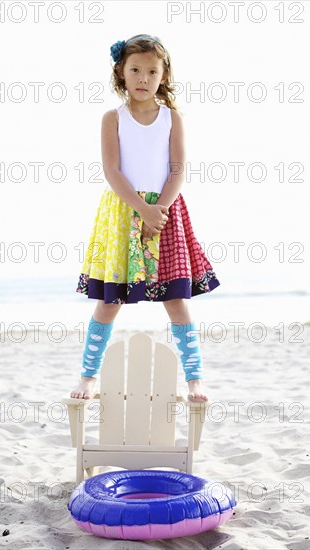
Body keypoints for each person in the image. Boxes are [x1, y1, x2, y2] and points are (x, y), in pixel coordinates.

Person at [70, 34, 220, 403]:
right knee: (110, 300)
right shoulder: (112, 118)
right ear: (121, 72)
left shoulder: (172, 118)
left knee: (176, 300)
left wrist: (160, 211)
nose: (142, 77)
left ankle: (195, 379)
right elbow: (112, 171)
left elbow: (177, 169)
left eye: (151, 71)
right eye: (134, 69)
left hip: (167, 213)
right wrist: (141, 208)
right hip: (124, 212)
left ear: (163, 75)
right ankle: (88, 377)